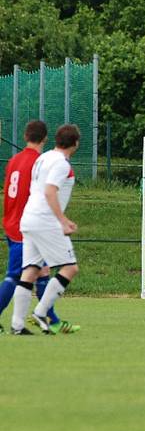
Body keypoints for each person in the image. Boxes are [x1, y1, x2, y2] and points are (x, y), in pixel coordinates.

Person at [1, 120, 76, 334]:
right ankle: (43, 313)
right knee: (69, 267)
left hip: (23, 219)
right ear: (75, 143)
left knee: (32, 271)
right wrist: (62, 220)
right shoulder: (59, 162)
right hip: (44, 220)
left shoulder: (38, 159)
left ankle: (18, 325)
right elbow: (50, 191)